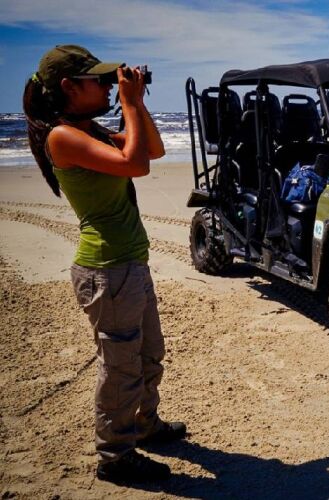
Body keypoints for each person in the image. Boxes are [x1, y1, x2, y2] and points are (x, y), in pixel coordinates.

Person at [22, 45, 184, 484]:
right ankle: (114, 455)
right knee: (120, 367)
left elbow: (152, 150)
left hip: (129, 264)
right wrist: (129, 103)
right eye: (99, 80)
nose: (108, 85)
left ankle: (145, 424)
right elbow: (135, 165)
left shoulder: (89, 129)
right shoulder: (62, 137)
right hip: (107, 270)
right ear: (70, 88)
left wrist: (137, 104)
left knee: (149, 355)